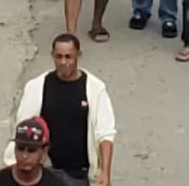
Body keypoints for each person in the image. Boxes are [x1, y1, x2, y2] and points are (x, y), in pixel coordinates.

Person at [10, 34, 118, 186]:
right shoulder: (36, 87)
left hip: (78, 175)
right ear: (52, 56)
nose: (63, 62)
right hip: (45, 172)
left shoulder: (95, 89)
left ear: (78, 56)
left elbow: (105, 134)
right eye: (58, 56)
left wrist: (105, 172)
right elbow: (23, 129)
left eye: (69, 57)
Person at [0, 118, 79, 186]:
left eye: (32, 150)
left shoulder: (57, 184)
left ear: (44, 151)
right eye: (20, 148)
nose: (24, 156)